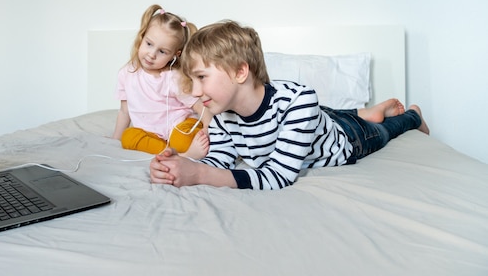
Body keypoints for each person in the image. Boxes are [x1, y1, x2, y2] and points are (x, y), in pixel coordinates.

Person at [150, 20, 430, 190]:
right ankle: (363, 110)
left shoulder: (299, 101)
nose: (195, 92)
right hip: (313, 120)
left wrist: (199, 174)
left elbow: (278, 176)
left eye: (201, 78)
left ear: (239, 72)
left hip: (347, 138)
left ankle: (411, 117)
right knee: (323, 112)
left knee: (382, 131)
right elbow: (219, 161)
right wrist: (178, 166)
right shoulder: (221, 113)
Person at [113, 4, 212, 159]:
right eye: (149, 44)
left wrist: (207, 128)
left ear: (174, 55)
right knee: (128, 138)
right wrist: (115, 139)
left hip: (179, 125)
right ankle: (176, 154)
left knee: (181, 140)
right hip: (150, 133)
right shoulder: (126, 73)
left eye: (162, 51)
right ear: (142, 37)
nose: (152, 54)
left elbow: (200, 107)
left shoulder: (173, 77)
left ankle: (179, 151)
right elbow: (124, 111)